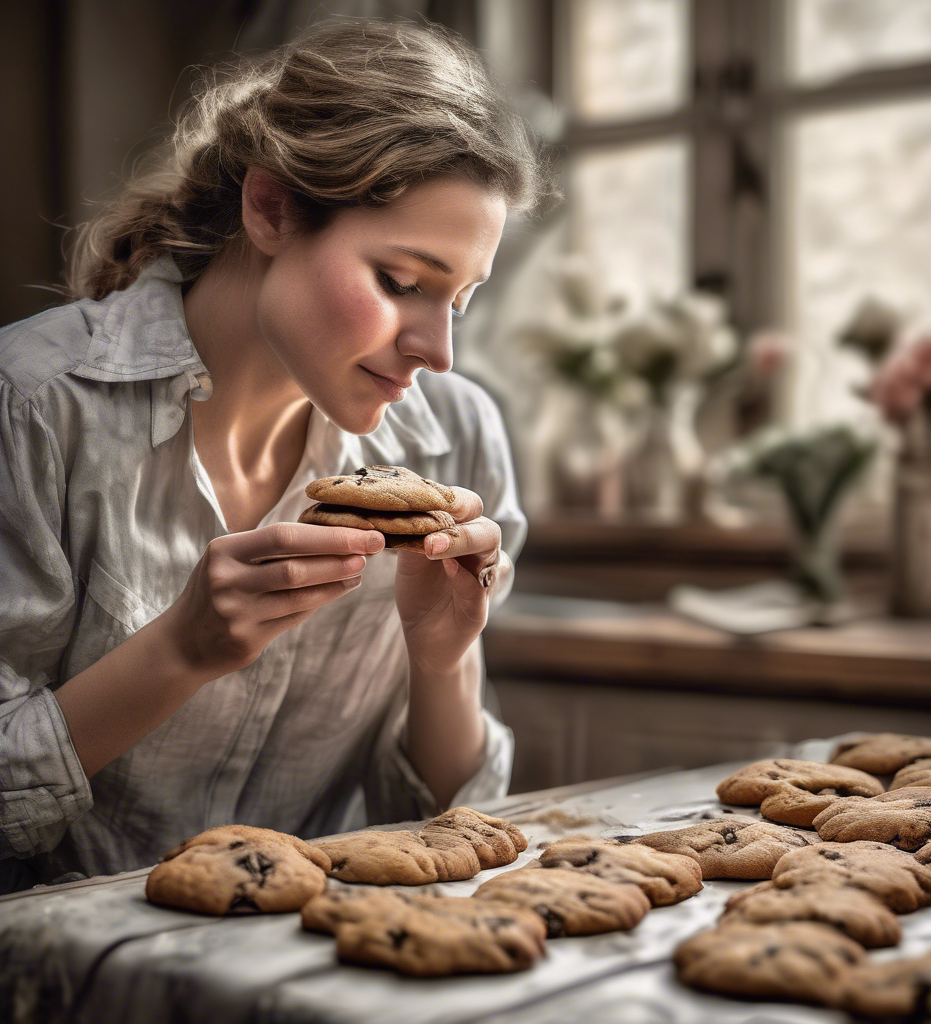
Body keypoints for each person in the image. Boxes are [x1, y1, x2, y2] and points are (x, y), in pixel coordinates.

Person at [0, 18, 557, 893]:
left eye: (461, 299)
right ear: (270, 208)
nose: (438, 350)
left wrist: (443, 657)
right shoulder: (30, 408)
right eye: (403, 283)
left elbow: (450, 820)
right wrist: (180, 650)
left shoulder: (457, 438)